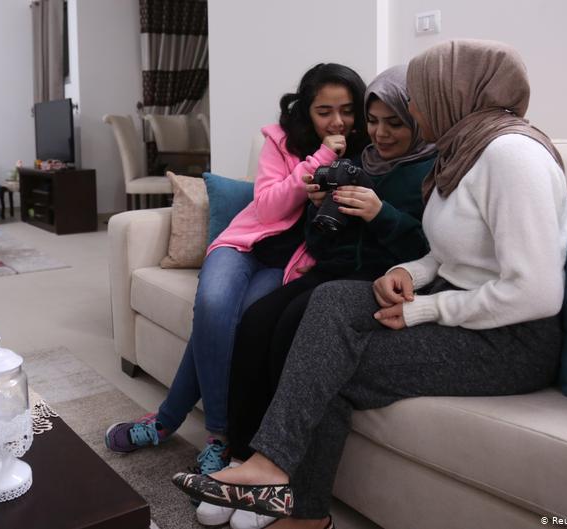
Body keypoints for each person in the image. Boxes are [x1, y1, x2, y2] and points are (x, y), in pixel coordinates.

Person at [172, 39, 567, 529]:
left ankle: (285, 492)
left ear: (454, 93)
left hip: (511, 340)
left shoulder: (512, 154)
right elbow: (449, 252)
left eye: (421, 98)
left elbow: (536, 293)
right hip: (462, 305)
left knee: (329, 362)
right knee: (326, 304)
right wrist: (408, 273)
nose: (414, 110)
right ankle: (275, 478)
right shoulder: (467, 151)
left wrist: (426, 309)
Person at [104, 63, 370, 477]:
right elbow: (268, 206)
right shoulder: (279, 139)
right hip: (244, 244)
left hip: (286, 262)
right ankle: (215, 434)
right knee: (212, 304)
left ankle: (170, 423)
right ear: (306, 110)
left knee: (236, 322)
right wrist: (319, 158)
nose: (338, 121)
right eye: (325, 111)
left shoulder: (364, 153)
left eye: (348, 110)